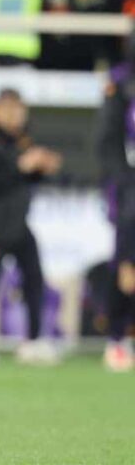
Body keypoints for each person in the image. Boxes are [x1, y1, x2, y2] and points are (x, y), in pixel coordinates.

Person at [0, 89, 62, 367]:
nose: (14, 115)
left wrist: (41, 168)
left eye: (18, 109)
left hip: (19, 223)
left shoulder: (24, 138)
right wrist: (21, 166)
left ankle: (33, 341)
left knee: (34, 281)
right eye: (8, 109)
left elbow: (27, 179)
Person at [97, 58, 135, 372]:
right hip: (129, 185)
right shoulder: (122, 81)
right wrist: (121, 179)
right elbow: (107, 140)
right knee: (126, 264)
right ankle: (117, 339)